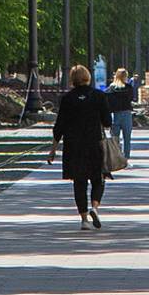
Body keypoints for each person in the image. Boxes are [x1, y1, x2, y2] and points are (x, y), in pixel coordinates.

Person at [50, 65, 112, 230]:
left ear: (72, 79)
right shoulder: (99, 96)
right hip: (94, 144)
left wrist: (53, 149)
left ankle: (84, 220)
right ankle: (95, 207)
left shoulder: (67, 98)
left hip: (74, 146)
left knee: (79, 182)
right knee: (98, 178)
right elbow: (107, 122)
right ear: (88, 77)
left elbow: (59, 126)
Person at [105, 67, 134, 163]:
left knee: (115, 139)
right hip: (126, 114)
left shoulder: (110, 89)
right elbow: (131, 98)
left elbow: (106, 103)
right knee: (127, 138)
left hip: (114, 114)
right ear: (125, 77)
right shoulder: (129, 88)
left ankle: (116, 158)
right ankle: (126, 159)